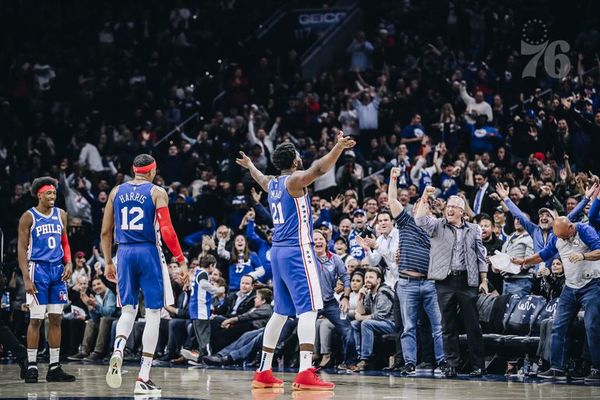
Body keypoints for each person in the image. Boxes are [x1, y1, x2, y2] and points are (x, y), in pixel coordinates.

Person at [236, 131, 355, 390]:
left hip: (277, 251)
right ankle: (305, 372)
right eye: (298, 154)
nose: (301, 157)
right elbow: (320, 168)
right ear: (293, 160)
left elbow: (259, 177)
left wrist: (250, 166)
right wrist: (338, 147)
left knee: (280, 313)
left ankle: (263, 371)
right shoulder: (294, 181)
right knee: (309, 310)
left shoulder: (272, 183)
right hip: (297, 251)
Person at [101, 154, 188, 395]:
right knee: (153, 313)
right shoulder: (157, 192)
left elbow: (106, 231)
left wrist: (109, 262)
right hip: (149, 252)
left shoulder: (116, 191)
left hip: (124, 253)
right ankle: (143, 376)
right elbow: (168, 230)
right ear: (152, 171)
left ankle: (118, 348)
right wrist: (181, 260)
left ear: (133, 169)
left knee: (127, 310)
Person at [513, 217, 600, 383]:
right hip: (570, 286)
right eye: (561, 237)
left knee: (593, 326)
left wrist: (583, 256)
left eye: (566, 236)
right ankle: (556, 368)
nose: (564, 240)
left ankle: (597, 369)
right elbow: (544, 254)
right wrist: (524, 261)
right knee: (558, 325)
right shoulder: (557, 236)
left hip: (592, 285)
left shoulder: (584, 230)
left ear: (571, 227)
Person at [414, 187, 488, 378]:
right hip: (444, 281)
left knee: (473, 326)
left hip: (467, 281)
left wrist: (484, 279)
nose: (450, 209)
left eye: (455, 207)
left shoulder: (474, 229)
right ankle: (452, 365)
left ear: (462, 212)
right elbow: (419, 219)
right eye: (449, 206)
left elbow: (481, 255)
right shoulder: (437, 225)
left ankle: (478, 365)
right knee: (448, 326)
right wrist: (425, 196)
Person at [387, 168, 446, 375]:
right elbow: (392, 200)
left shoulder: (437, 229)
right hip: (406, 283)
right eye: (420, 207)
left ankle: (442, 362)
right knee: (409, 327)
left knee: (439, 327)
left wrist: (427, 197)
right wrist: (393, 179)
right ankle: (410, 362)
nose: (422, 210)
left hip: (430, 283)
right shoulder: (406, 222)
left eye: (427, 208)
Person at [17, 177, 75, 383]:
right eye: (49, 193)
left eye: (54, 194)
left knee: (56, 319)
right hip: (38, 270)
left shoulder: (61, 215)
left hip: (57, 271)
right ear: (39, 194)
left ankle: (54, 367)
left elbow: (65, 242)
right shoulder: (28, 217)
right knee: (35, 319)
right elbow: (22, 250)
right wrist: (26, 277)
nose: (53, 197)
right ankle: (32, 365)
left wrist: (68, 263)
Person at [313, 229, 357, 370]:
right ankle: (306, 362)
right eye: (315, 239)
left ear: (326, 242)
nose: (318, 241)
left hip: (330, 302)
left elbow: (345, 278)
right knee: (301, 329)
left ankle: (350, 362)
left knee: (347, 329)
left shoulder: (335, 259)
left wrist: (345, 297)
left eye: (321, 239)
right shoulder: (306, 259)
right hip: (310, 303)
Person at [351, 267, 395, 371]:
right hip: (379, 323)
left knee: (366, 323)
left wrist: (361, 317)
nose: (367, 280)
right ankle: (358, 356)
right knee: (354, 324)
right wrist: (360, 298)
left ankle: (365, 359)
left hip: (391, 324)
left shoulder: (384, 292)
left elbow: (381, 316)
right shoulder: (369, 293)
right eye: (366, 277)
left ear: (378, 280)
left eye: (371, 277)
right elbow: (362, 311)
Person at [189, 255, 225, 361]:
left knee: (200, 336)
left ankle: (201, 357)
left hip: (195, 309)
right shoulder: (203, 273)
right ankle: (206, 358)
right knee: (204, 337)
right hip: (201, 309)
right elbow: (204, 285)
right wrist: (218, 290)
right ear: (211, 265)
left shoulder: (197, 272)